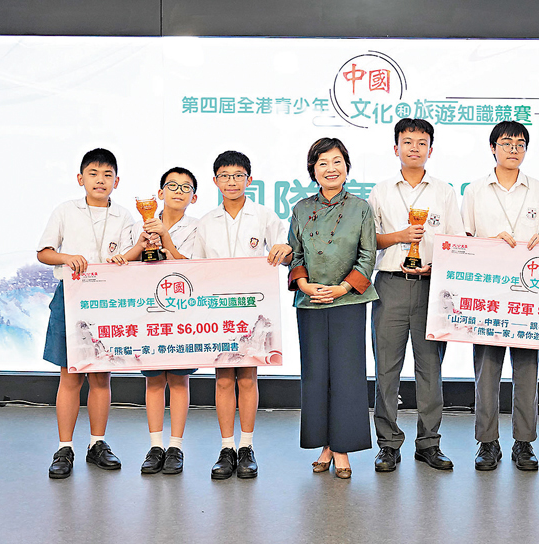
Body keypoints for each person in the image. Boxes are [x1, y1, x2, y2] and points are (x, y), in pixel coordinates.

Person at [367, 119, 464, 472]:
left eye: (421, 142)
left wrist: (437, 268)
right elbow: (370, 241)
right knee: (386, 369)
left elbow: (456, 241)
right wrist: (401, 236)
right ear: (396, 148)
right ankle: (388, 444)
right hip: (390, 284)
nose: (414, 148)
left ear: (430, 150)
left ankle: (429, 443)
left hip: (431, 287)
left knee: (430, 369)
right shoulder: (380, 191)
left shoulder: (444, 192)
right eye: (407, 142)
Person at [194, 151, 291, 480]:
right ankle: (226, 448)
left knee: (248, 377)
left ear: (249, 180)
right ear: (215, 181)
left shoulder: (264, 215)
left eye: (238, 175)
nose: (231, 181)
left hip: (253, 310)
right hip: (218, 309)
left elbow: (285, 250)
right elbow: (196, 266)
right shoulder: (206, 221)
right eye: (225, 176)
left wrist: (284, 250)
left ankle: (247, 447)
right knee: (223, 379)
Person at [38, 148, 135, 479]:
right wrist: (67, 257)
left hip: (108, 302)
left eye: (108, 175)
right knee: (70, 376)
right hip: (71, 298)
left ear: (117, 182)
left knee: (101, 377)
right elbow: (44, 252)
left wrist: (127, 258)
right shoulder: (65, 210)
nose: (100, 180)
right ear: (81, 179)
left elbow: (135, 254)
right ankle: (65, 448)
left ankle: (97, 443)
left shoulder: (124, 216)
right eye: (93, 173)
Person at [288, 137, 378, 479]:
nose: (330, 169)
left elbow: (368, 255)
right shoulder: (300, 208)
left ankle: (341, 449)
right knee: (315, 376)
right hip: (310, 301)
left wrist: (342, 287)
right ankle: (325, 444)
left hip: (348, 301)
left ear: (346, 167)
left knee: (346, 376)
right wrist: (304, 284)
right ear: (313, 169)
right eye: (323, 163)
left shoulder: (361, 208)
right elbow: (295, 254)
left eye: (337, 161)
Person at [461, 121, 539, 471]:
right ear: (492, 147)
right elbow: (464, 241)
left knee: (527, 370)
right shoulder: (475, 190)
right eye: (507, 143)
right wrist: (489, 244)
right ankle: (487, 442)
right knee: (487, 370)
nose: (514, 149)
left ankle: (524, 443)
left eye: (520, 143)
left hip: (530, 294)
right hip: (488, 293)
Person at [110, 167, 200, 475]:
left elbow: (195, 267)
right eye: (172, 185)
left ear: (194, 197)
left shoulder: (198, 227)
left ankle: (175, 446)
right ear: (159, 193)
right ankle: (155, 446)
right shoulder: (137, 224)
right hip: (147, 312)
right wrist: (139, 247)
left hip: (181, 311)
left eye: (186, 187)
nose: (178, 191)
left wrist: (166, 240)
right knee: (153, 380)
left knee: (179, 380)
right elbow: (126, 263)